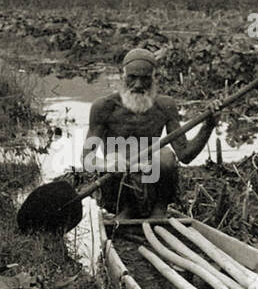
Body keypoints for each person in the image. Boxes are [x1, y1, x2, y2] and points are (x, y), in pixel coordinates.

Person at [81, 48, 217, 219]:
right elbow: (87, 159)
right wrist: (108, 165)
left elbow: (184, 155)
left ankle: (159, 210)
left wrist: (208, 126)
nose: (138, 85)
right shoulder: (103, 107)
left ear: (154, 78)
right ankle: (126, 210)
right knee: (115, 158)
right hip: (117, 188)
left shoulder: (165, 106)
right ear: (121, 75)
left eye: (145, 79)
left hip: (153, 182)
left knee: (166, 155)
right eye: (132, 77)